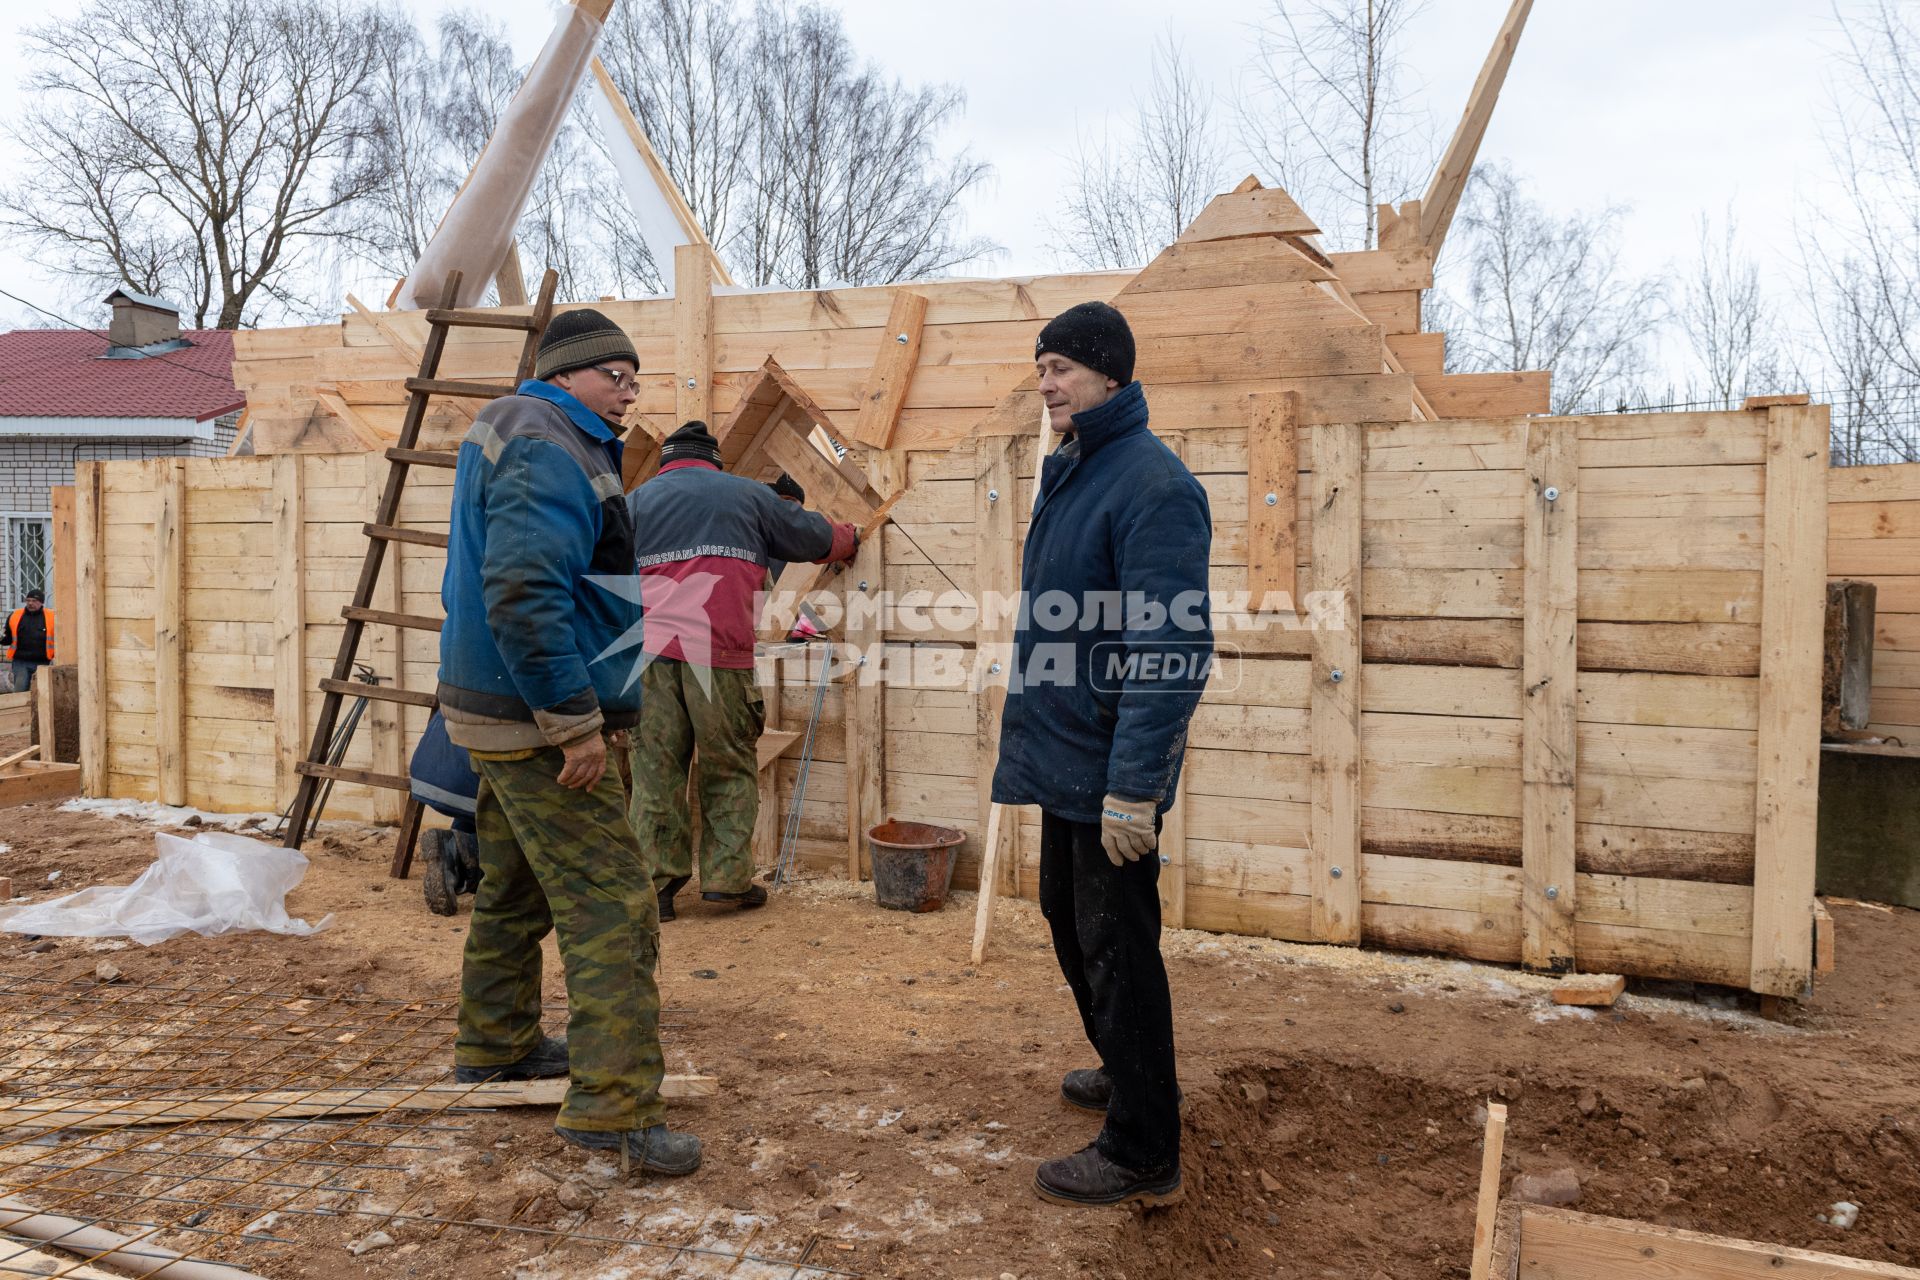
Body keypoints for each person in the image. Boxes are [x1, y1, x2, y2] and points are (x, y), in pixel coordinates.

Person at [437, 307, 699, 1176]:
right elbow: (523, 589)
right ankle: (614, 1113)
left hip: (500, 711)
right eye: (612, 374)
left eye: (635, 377)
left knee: (514, 884)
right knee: (614, 903)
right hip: (535, 720)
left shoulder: (535, 432)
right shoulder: (550, 444)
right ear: (565, 373)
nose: (628, 390)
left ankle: (496, 1042)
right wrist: (574, 722)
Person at [990, 301, 1213, 1208]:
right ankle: (1132, 1074)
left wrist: (1134, 789)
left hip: (1109, 764)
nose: (1046, 384)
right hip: (1069, 751)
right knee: (1068, 916)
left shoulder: (1152, 485)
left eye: (1064, 369)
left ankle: (1142, 1146)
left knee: (1117, 943)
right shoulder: (1078, 469)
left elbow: (1173, 650)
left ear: (1111, 375)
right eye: (1041, 368)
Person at [625, 425, 858, 920]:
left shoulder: (636, 502)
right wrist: (852, 538)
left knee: (654, 769)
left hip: (648, 656)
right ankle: (727, 882)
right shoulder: (747, 495)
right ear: (714, 462)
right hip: (719, 655)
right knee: (727, 763)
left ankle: (657, 888)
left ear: (667, 461)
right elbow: (814, 536)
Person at [408, 710, 481, 918]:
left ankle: (455, 851)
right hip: (474, 777)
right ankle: (468, 857)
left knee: (477, 809)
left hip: (433, 768)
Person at [4, 590, 53, 692]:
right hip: (21, 661)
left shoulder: (51, 617)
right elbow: (7, 638)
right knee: (20, 692)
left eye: (34, 601)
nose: (30, 603)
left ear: (41, 602)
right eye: (28, 600)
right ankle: (20, 709)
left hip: (43, 662)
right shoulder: (15, 616)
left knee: (43, 693)